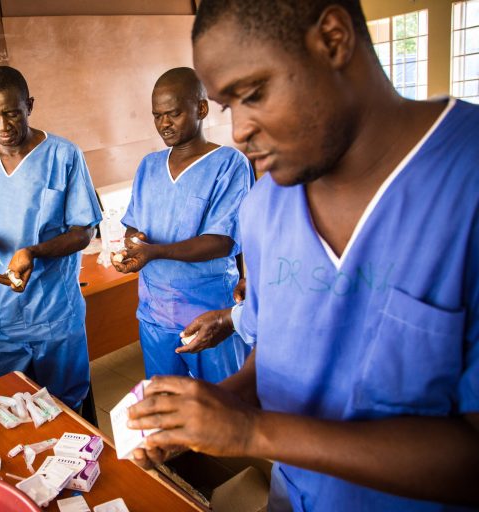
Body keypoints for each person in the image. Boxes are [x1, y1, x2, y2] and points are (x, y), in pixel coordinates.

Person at [127, 0, 479, 510]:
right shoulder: (267, 207)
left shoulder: (463, 185)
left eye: (254, 94)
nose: (241, 130)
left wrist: (252, 433)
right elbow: (277, 359)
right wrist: (216, 407)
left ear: (333, 40)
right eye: (230, 107)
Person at [0, 66, 102, 410]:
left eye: (11, 113)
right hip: (2, 314)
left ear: (29, 105)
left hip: (54, 311)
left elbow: (84, 232)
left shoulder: (64, 156)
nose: (2, 126)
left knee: (65, 406)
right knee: (3, 406)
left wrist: (33, 251)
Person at [112, 67, 253, 383]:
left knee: (223, 403)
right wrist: (133, 244)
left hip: (210, 312)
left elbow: (222, 241)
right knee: (167, 401)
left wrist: (154, 252)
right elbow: (133, 227)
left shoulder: (229, 164)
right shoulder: (149, 167)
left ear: (201, 109)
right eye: (157, 115)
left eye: (173, 114)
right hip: (155, 313)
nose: (164, 124)